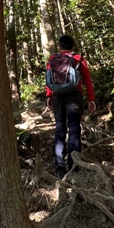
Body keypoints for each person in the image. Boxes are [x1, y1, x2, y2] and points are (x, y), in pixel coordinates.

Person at [45, 35, 96, 179]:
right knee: (74, 127)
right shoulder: (78, 58)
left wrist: (49, 96)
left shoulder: (53, 59)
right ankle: (74, 164)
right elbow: (87, 80)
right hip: (74, 95)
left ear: (60, 47)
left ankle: (59, 167)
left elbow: (49, 77)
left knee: (60, 128)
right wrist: (91, 99)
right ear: (72, 47)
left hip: (57, 96)